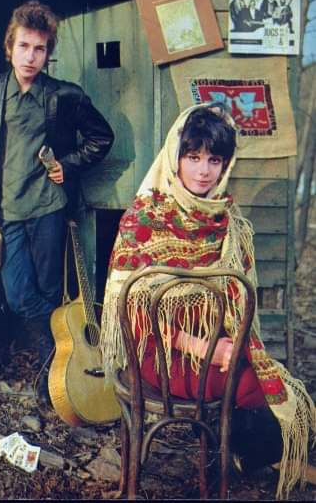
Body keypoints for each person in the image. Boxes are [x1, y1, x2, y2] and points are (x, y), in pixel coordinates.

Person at [100, 104, 315, 499]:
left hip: (216, 348)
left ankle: (242, 453)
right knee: (270, 396)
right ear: (174, 158)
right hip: (158, 355)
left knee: (281, 393)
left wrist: (228, 344)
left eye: (214, 160)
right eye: (193, 157)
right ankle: (245, 453)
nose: (203, 171)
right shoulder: (144, 218)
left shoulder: (228, 224)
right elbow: (128, 311)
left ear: (226, 164)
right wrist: (203, 346)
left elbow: (239, 301)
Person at [0, 0, 114, 405]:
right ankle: (58, 355)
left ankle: (51, 376)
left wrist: (68, 166)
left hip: (50, 208)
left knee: (51, 291)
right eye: (23, 47)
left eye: (39, 49)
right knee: (18, 295)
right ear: (9, 48)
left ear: (48, 52)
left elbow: (101, 138)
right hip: (7, 212)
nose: (30, 56)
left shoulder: (64, 96)